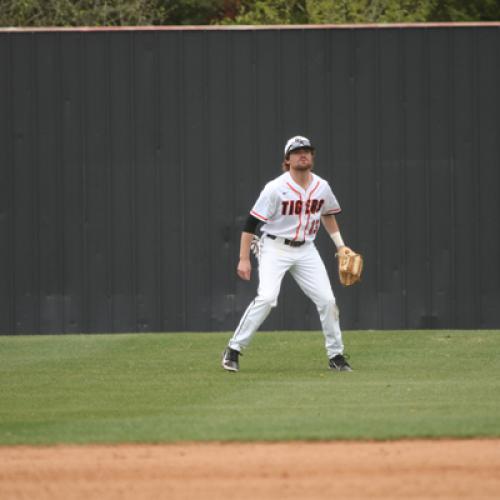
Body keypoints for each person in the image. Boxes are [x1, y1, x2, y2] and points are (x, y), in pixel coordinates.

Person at [221, 135, 353, 373]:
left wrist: (340, 246)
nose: (303, 154)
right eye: (297, 151)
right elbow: (251, 224)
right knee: (268, 298)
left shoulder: (321, 186)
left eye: (307, 151)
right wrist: (243, 259)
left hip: (306, 250)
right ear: (287, 159)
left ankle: (337, 356)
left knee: (328, 301)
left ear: (312, 156)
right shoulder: (275, 188)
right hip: (275, 247)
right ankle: (233, 349)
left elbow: (328, 214)